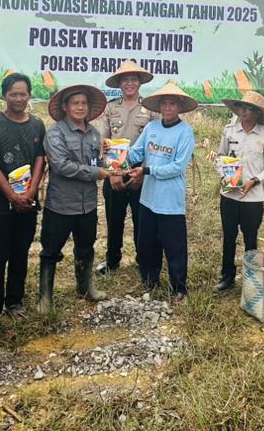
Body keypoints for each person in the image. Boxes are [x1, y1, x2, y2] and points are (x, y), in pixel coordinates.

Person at [0, 72, 46, 339]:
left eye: (23, 93)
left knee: (20, 253)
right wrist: (11, 196)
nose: (18, 98)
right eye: (13, 93)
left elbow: (40, 159)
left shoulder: (37, 124)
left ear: (29, 95)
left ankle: (14, 302)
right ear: (5, 95)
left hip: (27, 202)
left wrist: (30, 191)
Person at [39, 84, 116, 313]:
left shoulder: (94, 133)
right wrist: (97, 173)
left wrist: (112, 164)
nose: (80, 107)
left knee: (86, 246)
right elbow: (61, 166)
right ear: (65, 107)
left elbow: (97, 163)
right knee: (50, 250)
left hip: (87, 205)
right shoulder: (55, 133)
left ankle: (85, 287)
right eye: (75, 103)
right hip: (60, 204)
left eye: (84, 103)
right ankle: (45, 298)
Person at [127, 80, 197, 302]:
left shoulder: (185, 132)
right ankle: (150, 280)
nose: (167, 108)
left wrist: (147, 170)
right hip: (148, 198)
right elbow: (136, 153)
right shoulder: (151, 128)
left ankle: (179, 287)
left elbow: (177, 166)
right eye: (164, 103)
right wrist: (118, 153)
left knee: (175, 246)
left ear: (178, 107)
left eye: (172, 104)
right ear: (159, 106)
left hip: (170, 200)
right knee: (147, 242)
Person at [95, 59, 158, 275]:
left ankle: (143, 261)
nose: (129, 83)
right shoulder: (110, 107)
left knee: (143, 221)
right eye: (125, 80)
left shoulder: (150, 109)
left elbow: (155, 144)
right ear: (119, 84)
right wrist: (111, 174)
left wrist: (144, 172)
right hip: (115, 173)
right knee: (114, 220)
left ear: (140, 82)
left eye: (134, 79)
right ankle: (112, 261)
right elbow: (102, 143)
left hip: (141, 173)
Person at [213, 91, 264, 292]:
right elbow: (220, 156)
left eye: (249, 108)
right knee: (228, 236)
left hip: (252, 198)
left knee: (250, 238)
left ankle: (251, 277)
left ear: (257, 113)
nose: (244, 111)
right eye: (241, 107)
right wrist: (224, 174)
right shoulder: (229, 131)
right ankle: (227, 276)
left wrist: (255, 180)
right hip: (229, 194)